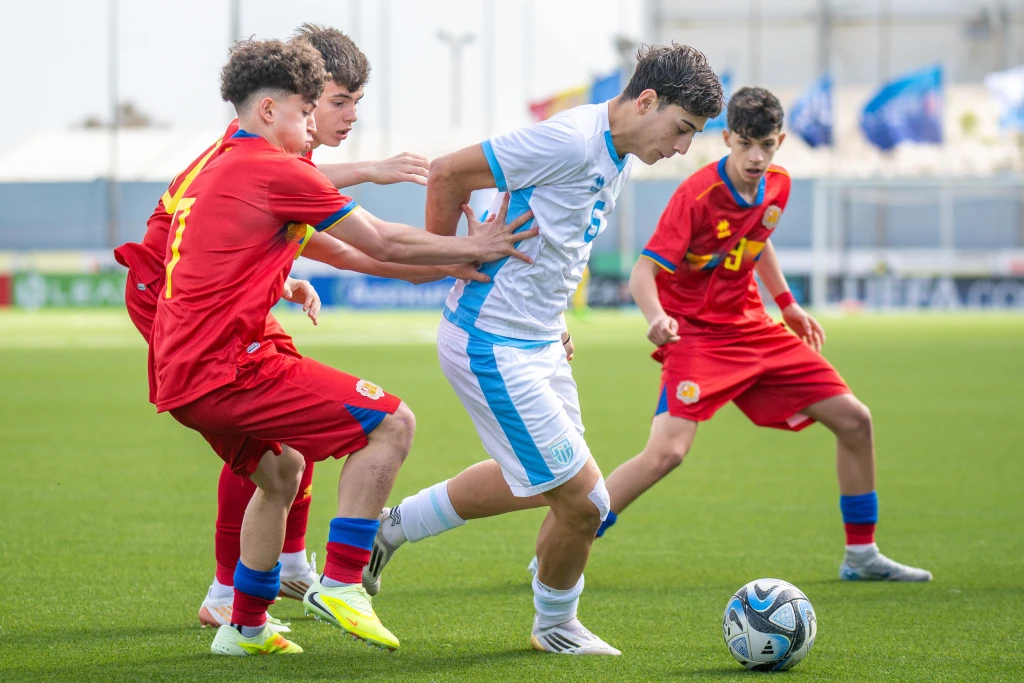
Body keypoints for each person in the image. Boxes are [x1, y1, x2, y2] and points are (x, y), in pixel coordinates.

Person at [147, 38, 536, 656]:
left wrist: (447, 264)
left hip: (181, 370)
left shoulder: (226, 162)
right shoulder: (274, 169)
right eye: (310, 111)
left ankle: (242, 624)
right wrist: (475, 246)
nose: (314, 128)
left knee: (282, 470)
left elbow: (357, 254)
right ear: (270, 110)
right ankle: (343, 582)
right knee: (393, 422)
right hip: (226, 364)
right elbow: (379, 240)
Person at [361, 44, 725, 655]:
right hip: (492, 340)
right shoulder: (571, 140)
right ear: (646, 101)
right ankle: (555, 625)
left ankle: (387, 530)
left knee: (536, 483)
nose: (683, 148)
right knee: (586, 502)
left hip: (537, 338)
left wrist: (552, 318)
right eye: (682, 129)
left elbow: (559, 240)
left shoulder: (619, 154)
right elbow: (448, 171)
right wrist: (445, 255)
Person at [596, 86, 932, 582]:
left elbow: (758, 241)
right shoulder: (696, 196)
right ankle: (569, 538)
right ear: (727, 139)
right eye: (745, 144)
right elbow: (642, 272)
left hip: (753, 328)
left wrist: (788, 304)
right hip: (696, 337)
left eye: (766, 145)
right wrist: (656, 318)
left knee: (855, 421)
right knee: (667, 453)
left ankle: (861, 555)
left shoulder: (778, 185)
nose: (756, 157)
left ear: (780, 141)